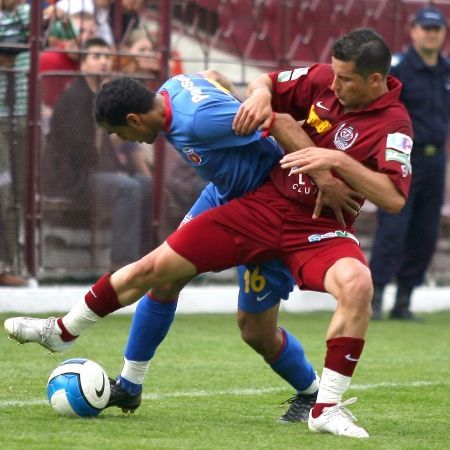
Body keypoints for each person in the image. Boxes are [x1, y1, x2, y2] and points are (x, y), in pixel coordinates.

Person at [5, 28, 413, 438]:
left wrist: (329, 164)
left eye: (345, 79)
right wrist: (257, 93)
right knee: (159, 274)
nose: (334, 83)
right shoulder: (317, 78)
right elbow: (241, 80)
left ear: (375, 80)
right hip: (240, 202)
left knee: (262, 328)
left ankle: (318, 400)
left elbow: (283, 125)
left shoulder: (392, 126)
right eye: (336, 75)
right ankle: (95, 358)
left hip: (298, 214)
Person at [369, 6, 449, 321]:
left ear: (442, 33)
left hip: (436, 160)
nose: (431, 34)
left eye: (436, 29)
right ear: (413, 31)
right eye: (425, 28)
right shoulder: (399, 69)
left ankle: (404, 300)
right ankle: (374, 298)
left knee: (425, 233)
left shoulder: (446, 71)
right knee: (393, 229)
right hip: (402, 158)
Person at [44, 37, 152, 269]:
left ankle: (149, 259)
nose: (103, 62)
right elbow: (80, 149)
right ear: (83, 65)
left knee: (145, 182)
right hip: (73, 179)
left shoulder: (100, 97)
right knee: (128, 187)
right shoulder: (74, 97)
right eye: (96, 57)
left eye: (106, 56)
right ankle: (124, 264)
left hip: (95, 173)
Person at [0, 0, 30, 286]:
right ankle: (5, 264)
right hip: (0, 118)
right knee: (4, 192)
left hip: (23, 116)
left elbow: (57, 29)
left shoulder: (23, 13)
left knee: (21, 193)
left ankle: (16, 261)